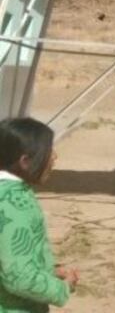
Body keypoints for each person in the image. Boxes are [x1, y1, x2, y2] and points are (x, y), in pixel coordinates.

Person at [0, 118, 79, 312]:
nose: (54, 157)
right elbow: (18, 277)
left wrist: (47, 271)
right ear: (25, 161)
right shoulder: (14, 204)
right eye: (48, 152)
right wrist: (61, 287)